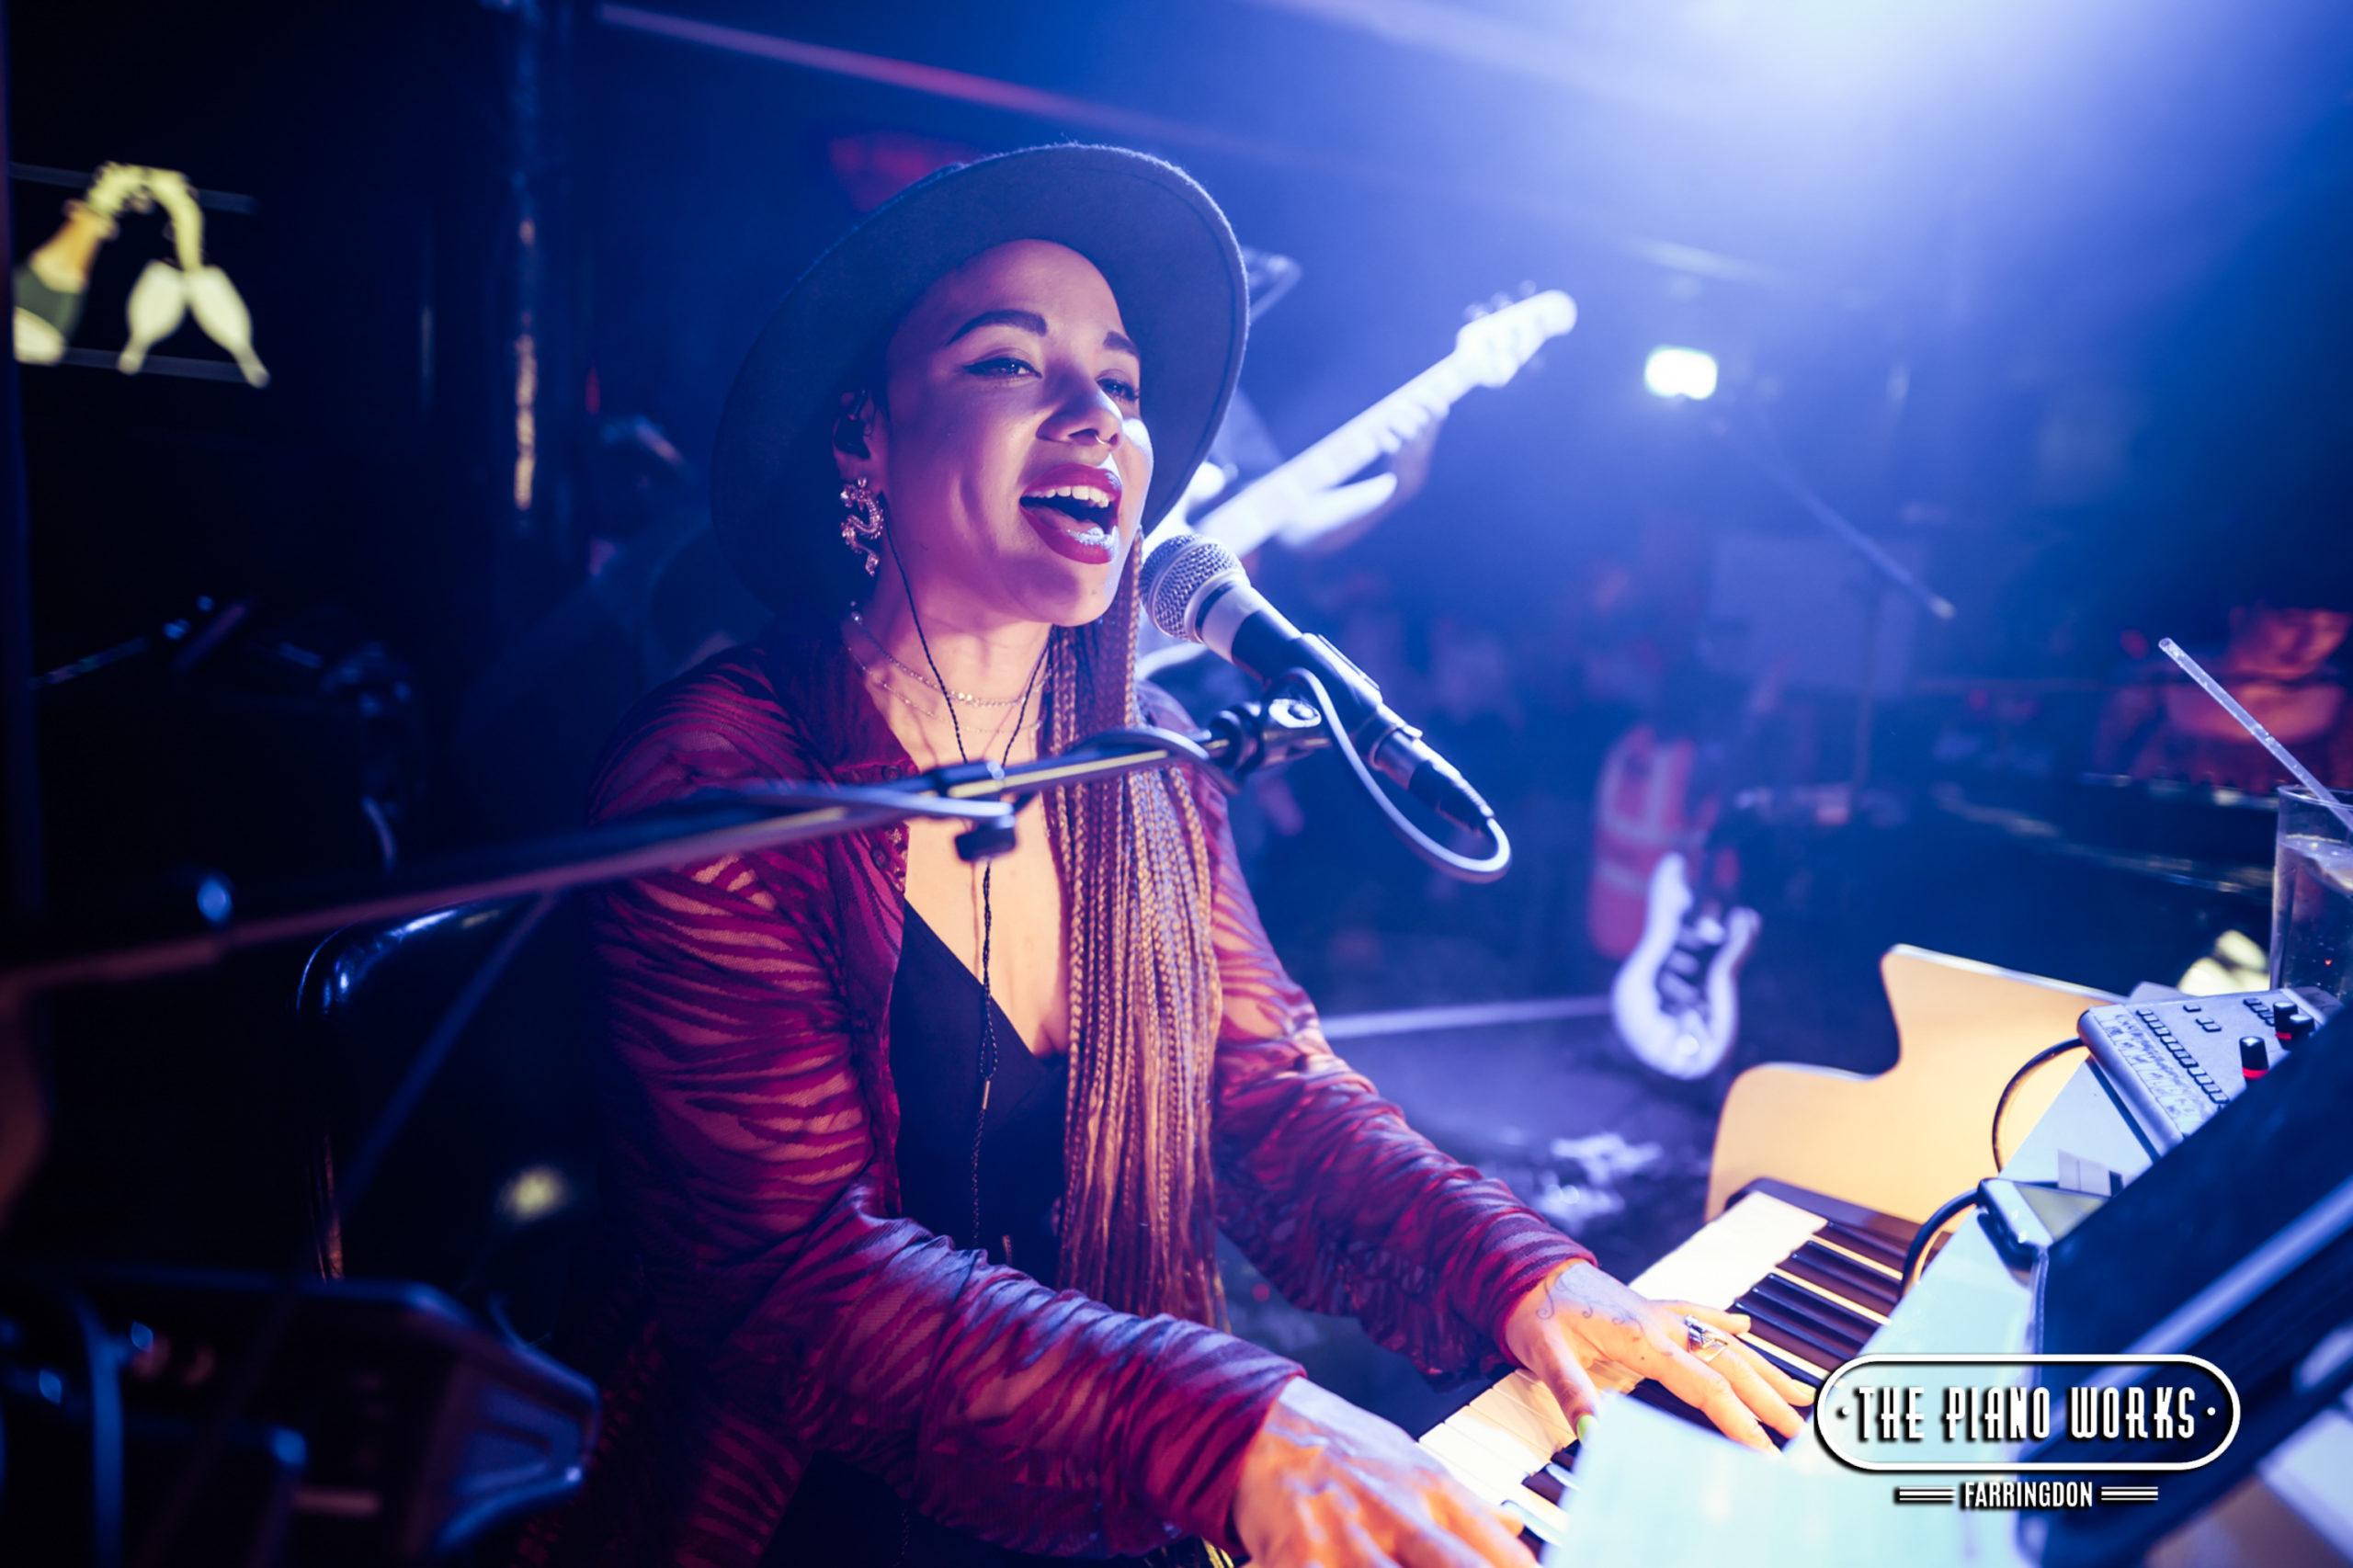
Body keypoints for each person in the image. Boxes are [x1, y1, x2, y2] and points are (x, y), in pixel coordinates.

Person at [531, 146, 1807, 1568]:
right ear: (863, 441)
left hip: (1098, 1458)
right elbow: (796, 1280)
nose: (1096, 416)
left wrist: (1524, 1272)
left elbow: (1268, 1094)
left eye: (1123, 387)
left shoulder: (1138, 762)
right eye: (1012, 364)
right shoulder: (716, 781)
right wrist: (1224, 1424)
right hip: (790, 1510)